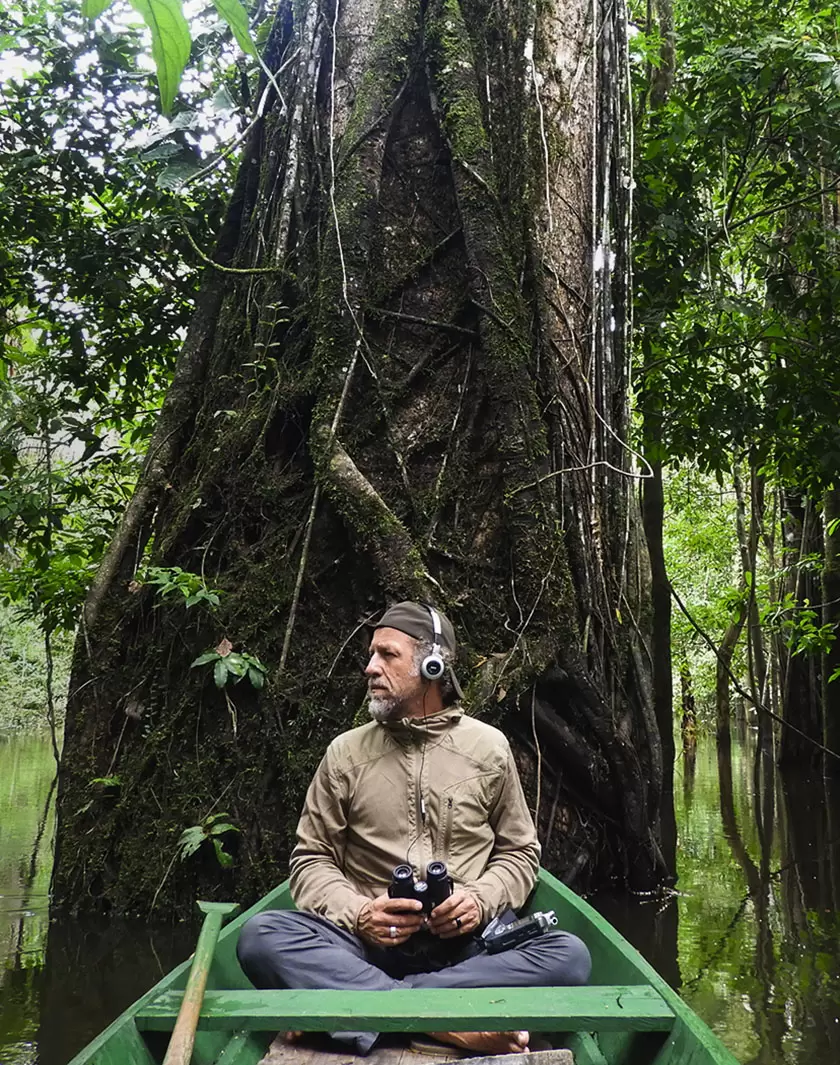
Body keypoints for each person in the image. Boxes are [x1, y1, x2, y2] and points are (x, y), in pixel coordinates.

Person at [237, 602, 591, 1056]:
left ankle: (368, 1007)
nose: (370, 668)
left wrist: (479, 900)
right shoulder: (345, 754)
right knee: (261, 938)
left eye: (387, 655)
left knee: (569, 956)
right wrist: (359, 912)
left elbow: (520, 854)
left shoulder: (489, 749)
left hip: (467, 951)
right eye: (371, 656)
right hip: (365, 948)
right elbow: (310, 861)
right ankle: (444, 1023)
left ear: (432, 664)